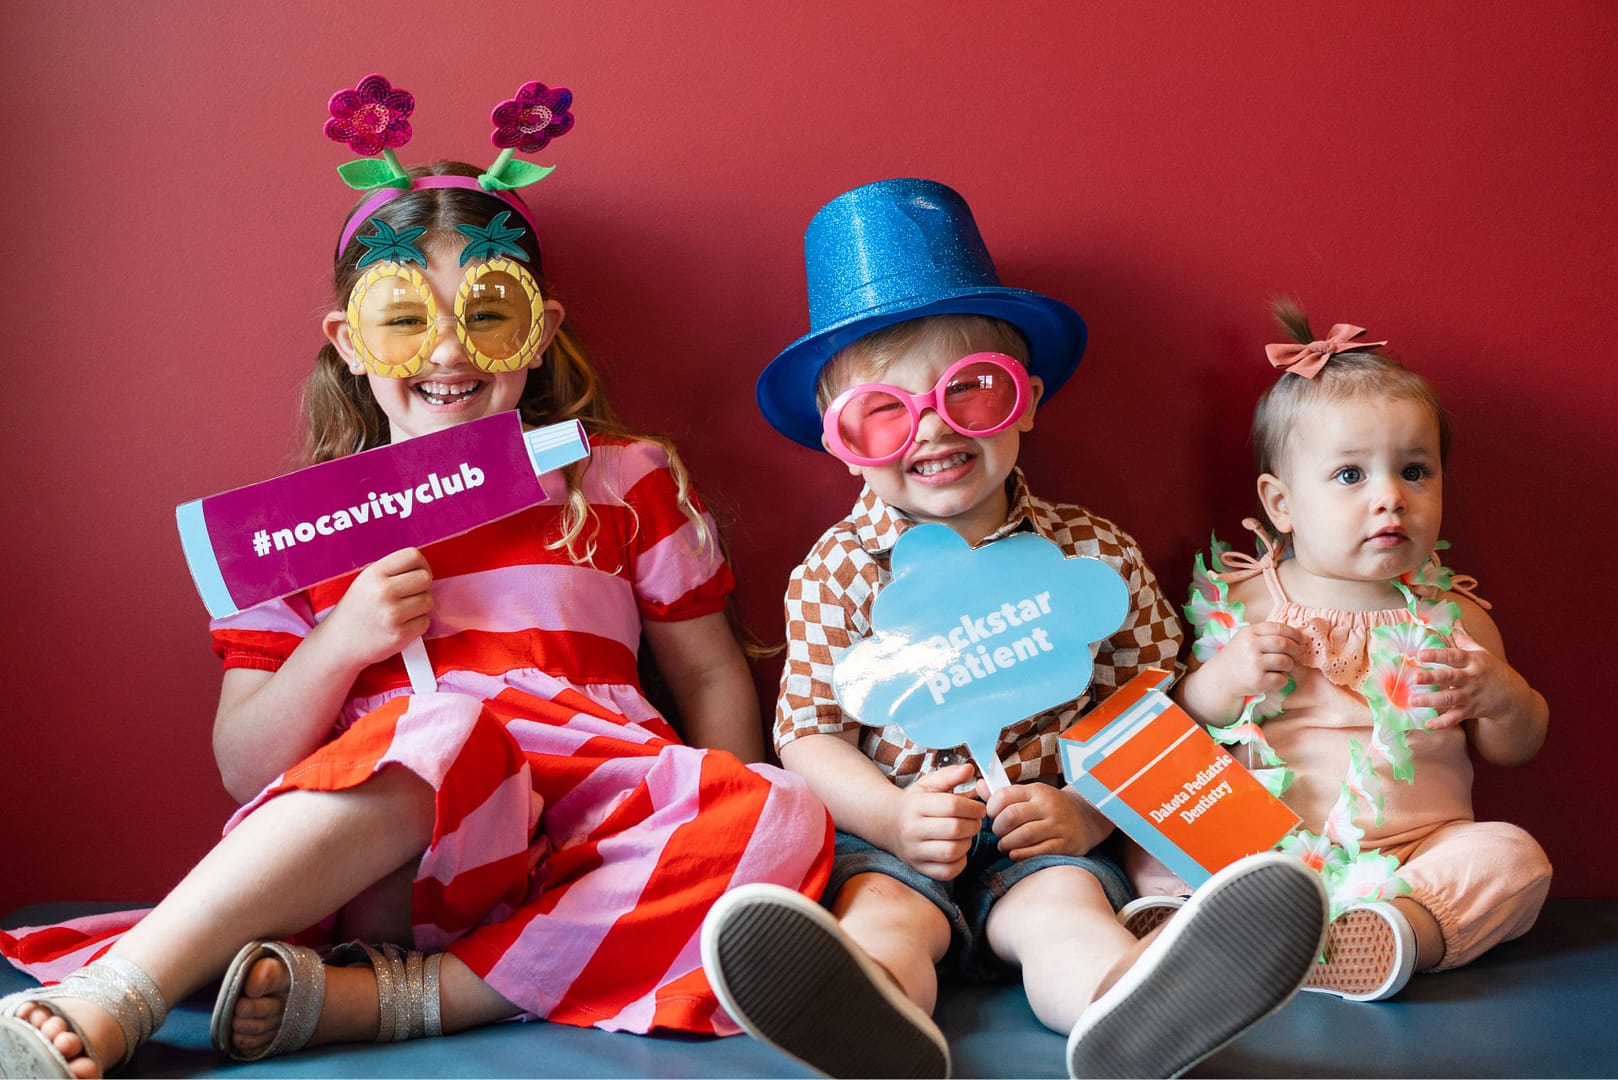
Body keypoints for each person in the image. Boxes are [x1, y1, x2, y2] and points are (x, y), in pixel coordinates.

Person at [0, 80, 832, 1080]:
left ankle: (397, 1003)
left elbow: (704, 676)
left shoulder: (621, 475)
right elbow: (242, 762)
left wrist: (733, 806)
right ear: (350, 341)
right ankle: (119, 989)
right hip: (405, 849)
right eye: (405, 319)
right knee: (444, 728)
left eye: (489, 312)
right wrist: (341, 641)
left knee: (782, 808)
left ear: (539, 327)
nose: (448, 350)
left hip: (595, 845)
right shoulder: (294, 531)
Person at [700, 177, 1330, 1080]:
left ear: (1026, 401)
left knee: (1066, 919)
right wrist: (893, 814)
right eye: (884, 412)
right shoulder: (835, 571)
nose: (934, 430)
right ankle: (869, 1019)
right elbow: (805, 737)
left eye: (973, 393)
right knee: (883, 918)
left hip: (1046, 839)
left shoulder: (1092, 552)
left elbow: (1152, 704)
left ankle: (1134, 1006)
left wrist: (1082, 812)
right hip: (899, 840)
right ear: (839, 444)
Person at [1172, 301, 1552, 1002]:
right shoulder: (1246, 602)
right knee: (1158, 843)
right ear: (1281, 503)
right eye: (1351, 476)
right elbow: (1181, 730)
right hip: (1259, 858)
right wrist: (1219, 682)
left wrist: (1500, 695)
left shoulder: (1454, 616)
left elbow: (1515, 746)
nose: (1390, 499)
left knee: (1514, 860)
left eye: (1415, 471)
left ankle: (1385, 938)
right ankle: (1182, 925)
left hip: (1413, 856)